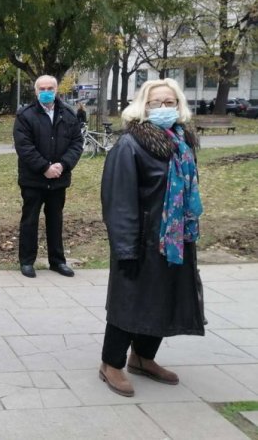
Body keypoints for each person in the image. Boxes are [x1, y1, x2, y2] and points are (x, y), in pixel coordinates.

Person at [99, 78, 205, 397]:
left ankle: (143, 357)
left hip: (174, 239)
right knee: (130, 302)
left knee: (164, 299)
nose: (163, 108)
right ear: (143, 107)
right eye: (155, 103)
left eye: (169, 102)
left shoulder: (182, 142)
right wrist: (125, 249)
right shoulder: (130, 145)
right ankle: (111, 363)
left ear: (179, 106)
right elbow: (118, 201)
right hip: (142, 241)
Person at [13, 75, 83, 278]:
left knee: (56, 219)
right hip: (33, 179)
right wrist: (44, 167)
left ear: (56, 89)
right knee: (30, 220)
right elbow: (24, 146)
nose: (46, 92)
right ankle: (27, 261)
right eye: (42, 88)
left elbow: (77, 143)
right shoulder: (25, 115)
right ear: (36, 91)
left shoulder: (68, 114)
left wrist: (63, 164)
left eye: (50, 88)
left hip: (59, 178)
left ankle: (57, 261)